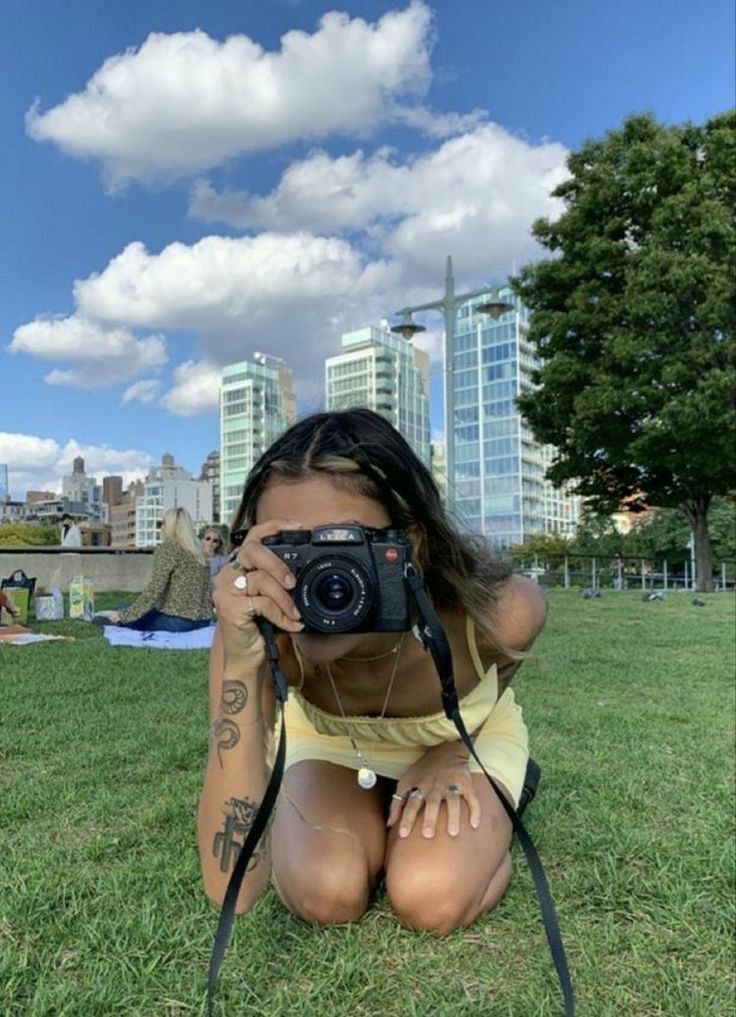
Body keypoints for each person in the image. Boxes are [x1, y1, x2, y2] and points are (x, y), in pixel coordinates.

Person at [197, 409, 546, 935]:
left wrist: (453, 746)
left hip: (459, 736)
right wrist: (243, 660)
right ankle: (372, 816)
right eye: (288, 549)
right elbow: (233, 892)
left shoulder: (496, 615)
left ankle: (490, 803)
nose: (315, 577)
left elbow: (501, 678)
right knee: (324, 893)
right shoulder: (260, 629)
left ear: (411, 546)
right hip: (330, 740)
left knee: (430, 898)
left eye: (346, 545)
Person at [105, 507, 213, 632]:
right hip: (203, 621)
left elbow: (155, 588)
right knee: (124, 607)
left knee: (123, 614)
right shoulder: (200, 552)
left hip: (177, 621)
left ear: (171, 526)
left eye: (163, 523)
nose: (161, 527)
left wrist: (125, 616)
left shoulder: (169, 549)